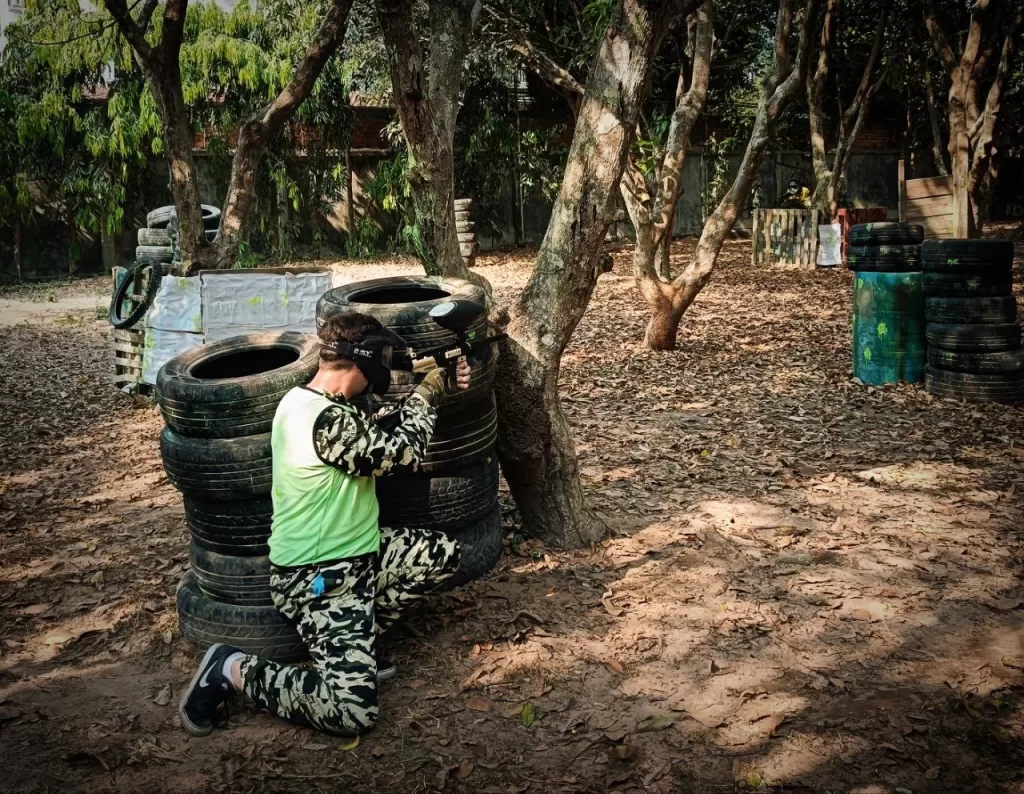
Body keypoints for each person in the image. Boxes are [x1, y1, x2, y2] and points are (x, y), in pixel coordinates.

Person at [178, 312, 470, 737]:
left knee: (439, 554)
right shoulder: (323, 418)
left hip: (358, 555)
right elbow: (400, 455)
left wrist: (432, 389)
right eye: (381, 361)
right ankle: (231, 668)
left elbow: (374, 434)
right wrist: (430, 392)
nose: (383, 373)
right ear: (361, 362)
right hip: (320, 575)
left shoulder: (314, 405)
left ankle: (358, 650)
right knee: (353, 713)